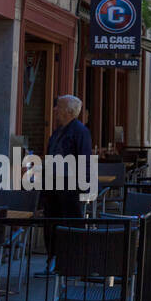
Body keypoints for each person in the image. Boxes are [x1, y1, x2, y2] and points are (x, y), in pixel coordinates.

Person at [41, 94, 92, 270]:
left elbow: (84, 159)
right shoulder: (58, 131)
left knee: (69, 223)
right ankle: (52, 258)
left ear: (69, 111)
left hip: (68, 186)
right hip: (52, 184)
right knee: (51, 223)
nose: (55, 109)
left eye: (59, 107)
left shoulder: (80, 131)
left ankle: (71, 261)